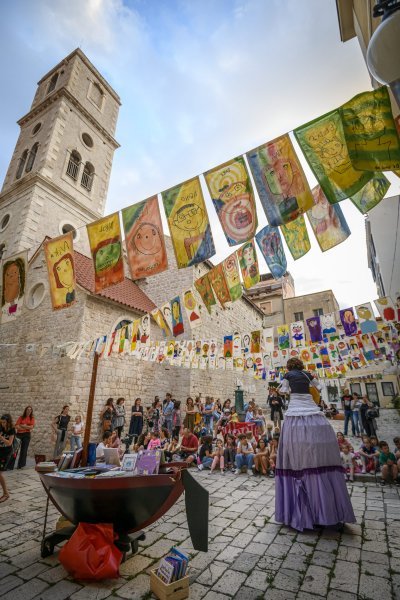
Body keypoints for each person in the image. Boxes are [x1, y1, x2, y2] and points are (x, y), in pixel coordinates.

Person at [275, 358, 355, 531]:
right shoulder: (308, 374)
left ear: (289, 367)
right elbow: (319, 387)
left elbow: (283, 390)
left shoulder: (288, 374)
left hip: (296, 411)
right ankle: (327, 511)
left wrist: (280, 390)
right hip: (313, 412)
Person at [0, 414, 15, 502]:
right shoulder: (0, 426)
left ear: (8, 422)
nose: (3, 424)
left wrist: (1, 438)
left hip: (5, 454)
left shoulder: (11, 429)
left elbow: (9, 443)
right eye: (1, 422)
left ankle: (6, 493)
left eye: (4, 422)